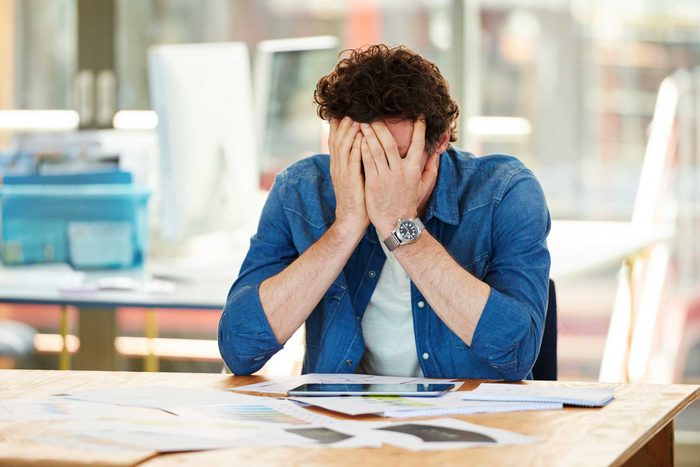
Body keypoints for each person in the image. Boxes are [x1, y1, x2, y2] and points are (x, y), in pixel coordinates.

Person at [218, 44, 550, 380]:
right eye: (359, 154)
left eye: (394, 157)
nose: (375, 174)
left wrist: (401, 227)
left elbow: (516, 354)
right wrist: (345, 226)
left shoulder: (504, 191)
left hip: (470, 424)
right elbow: (239, 350)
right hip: (344, 423)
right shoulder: (299, 190)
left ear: (439, 143)